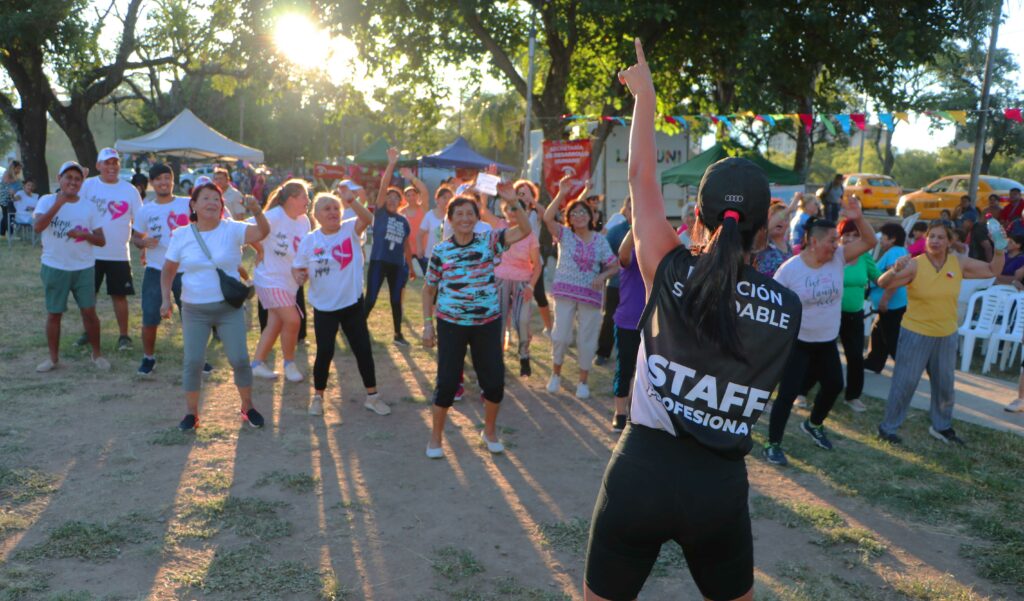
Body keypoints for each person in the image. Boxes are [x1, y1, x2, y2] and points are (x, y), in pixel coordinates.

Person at [583, 40, 801, 601]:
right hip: (718, 488)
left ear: (697, 219)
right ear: (765, 230)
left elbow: (640, 179)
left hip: (639, 473)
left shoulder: (669, 267)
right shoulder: (787, 308)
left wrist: (646, 98)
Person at [421, 185, 532, 459]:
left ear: (477, 217)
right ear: (450, 219)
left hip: (486, 324)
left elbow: (525, 230)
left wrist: (513, 202)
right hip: (451, 324)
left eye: (469, 213)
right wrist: (427, 324)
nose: (465, 218)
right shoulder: (441, 251)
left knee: (493, 382)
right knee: (447, 384)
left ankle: (490, 432)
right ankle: (435, 438)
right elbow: (428, 289)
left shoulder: (489, 241)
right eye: (458, 214)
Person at [765, 198, 876, 466]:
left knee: (834, 385)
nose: (836, 245)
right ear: (813, 242)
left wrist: (858, 217)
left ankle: (813, 424)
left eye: (837, 240)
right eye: (831, 241)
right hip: (798, 343)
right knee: (787, 394)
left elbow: (870, 241)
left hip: (826, 341)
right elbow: (772, 303)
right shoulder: (790, 270)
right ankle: (773, 444)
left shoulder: (838, 259)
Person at [876, 220, 1006, 445]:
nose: (935, 241)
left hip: (946, 334)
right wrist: (894, 269)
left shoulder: (959, 263)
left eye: (940, 237)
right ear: (926, 239)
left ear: (949, 241)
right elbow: (883, 283)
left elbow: (992, 270)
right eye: (931, 236)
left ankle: (942, 426)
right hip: (916, 333)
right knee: (905, 383)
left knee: (945, 385)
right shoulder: (915, 265)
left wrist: (1000, 249)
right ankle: (888, 428)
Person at [161, 183, 270, 431]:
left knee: (240, 359)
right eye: (206, 198)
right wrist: (166, 299)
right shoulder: (181, 235)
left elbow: (262, 232)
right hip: (194, 309)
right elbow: (168, 271)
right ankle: (191, 414)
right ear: (193, 205)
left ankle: (248, 407)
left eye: (216, 199)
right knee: (193, 362)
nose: (212, 202)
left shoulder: (231, 229)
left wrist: (257, 210)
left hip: (228, 308)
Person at [293, 190, 388, 417]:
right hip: (324, 308)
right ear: (316, 215)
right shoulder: (309, 240)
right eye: (327, 209)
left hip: (352, 304)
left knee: (363, 350)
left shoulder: (349, 230)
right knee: (325, 352)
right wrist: (299, 275)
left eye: (336, 208)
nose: (333, 212)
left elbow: (369, 219)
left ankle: (372, 397)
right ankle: (318, 397)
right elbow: (297, 267)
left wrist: (352, 200)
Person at [543, 175, 620, 400]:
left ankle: (583, 381)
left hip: (591, 296)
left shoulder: (600, 240)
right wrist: (561, 192)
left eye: (583, 212)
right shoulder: (564, 235)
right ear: (569, 218)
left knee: (587, 339)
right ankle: (555, 374)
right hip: (565, 293)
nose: (578, 216)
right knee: (560, 336)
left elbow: (615, 265)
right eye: (574, 213)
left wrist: (602, 276)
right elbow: (547, 217)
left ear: (591, 216)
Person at [33, 162, 109, 372]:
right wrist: (59, 203)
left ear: (82, 183)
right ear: (59, 179)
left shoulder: (89, 206)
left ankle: (97, 355)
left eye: (77, 179)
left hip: (83, 268)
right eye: (68, 177)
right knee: (54, 314)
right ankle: (53, 359)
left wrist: (84, 234)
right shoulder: (46, 200)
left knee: (89, 312)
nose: (73, 182)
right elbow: (38, 227)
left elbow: (101, 240)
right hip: (54, 266)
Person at [74, 148, 143, 352]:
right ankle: (88, 332)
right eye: (107, 163)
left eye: (115, 163)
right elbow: (73, 205)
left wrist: (142, 243)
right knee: (89, 296)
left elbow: (140, 220)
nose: (111, 167)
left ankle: (124, 336)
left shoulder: (129, 190)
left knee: (119, 296)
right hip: (90, 252)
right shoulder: (88, 185)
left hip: (118, 253)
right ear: (98, 166)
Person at [131, 163, 195, 376]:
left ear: (173, 180)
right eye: (158, 179)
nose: (163, 182)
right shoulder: (145, 210)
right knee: (150, 315)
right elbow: (135, 237)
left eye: (167, 178)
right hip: (156, 270)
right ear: (152, 183)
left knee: (191, 317)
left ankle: (197, 358)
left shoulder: (187, 204)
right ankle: (148, 358)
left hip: (186, 269)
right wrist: (143, 242)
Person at [249, 179, 312, 382]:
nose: (308, 200)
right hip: (269, 279)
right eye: (304, 196)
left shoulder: (304, 221)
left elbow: (303, 250)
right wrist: (260, 250)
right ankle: (289, 364)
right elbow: (248, 230)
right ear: (291, 199)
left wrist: (302, 270)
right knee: (293, 320)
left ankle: (257, 364)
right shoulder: (275, 216)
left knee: (274, 324)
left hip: (289, 282)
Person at [366, 147, 415, 347]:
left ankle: (397, 334)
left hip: (396, 265)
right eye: (389, 197)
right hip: (379, 261)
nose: (392, 200)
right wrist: (391, 164)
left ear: (400, 202)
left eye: (396, 198)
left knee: (396, 300)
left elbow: (406, 246)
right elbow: (384, 185)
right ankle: (357, 328)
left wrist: (410, 267)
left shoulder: (404, 221)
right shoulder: (380, 214)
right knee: (371, 299)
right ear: (384, 200)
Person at [835, 217, 880, 412]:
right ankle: (802, 392)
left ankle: (853, 396)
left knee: (855, 356)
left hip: (854, 315)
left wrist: (896, 272)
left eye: (856, 235)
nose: (851, 239)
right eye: (847, 235)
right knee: (818, 352)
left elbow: (878, 278)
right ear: (839, 236)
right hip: (829, 314)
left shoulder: (864, 257)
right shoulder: (833, 255)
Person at [494, 198, 542, 377]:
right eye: (509, 208)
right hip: (500, 279)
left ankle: (524, 355)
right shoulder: (500, 226)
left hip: (522, 281)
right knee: (499, 321)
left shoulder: (530, 235)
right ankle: (497, 360)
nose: (513, 212)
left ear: (524, 212)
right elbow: (482, 209)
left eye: (517, 209)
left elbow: (537, 265)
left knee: (521, 321)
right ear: (504, 210)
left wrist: (531, 286)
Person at [608, 228, 644, 433]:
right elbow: (622, 253)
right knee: (625, 368)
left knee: (645, 373)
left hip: (651, 324)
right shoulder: (630, 258)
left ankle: (637, 412)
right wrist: (635, 225)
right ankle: (620, 413)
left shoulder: (658, 259)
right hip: (627, 322)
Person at [864, 223, 909, 373]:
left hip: (891, 305)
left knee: (892, 338)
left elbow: (894, 278)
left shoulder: (895, 252)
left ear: (892, 239)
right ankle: (874, 362)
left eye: (883, 237)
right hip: (890, 304)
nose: (880, 241)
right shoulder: (897, 251)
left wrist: (885, 300)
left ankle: (905, 369)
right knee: (878, 332)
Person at [595, 197, 633, 367]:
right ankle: (603, 352)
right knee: (610, 318)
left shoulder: (649, 231)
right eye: (631, 208)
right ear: (625, 209)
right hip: (616, 283)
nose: (633, 212)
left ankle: (634, 356)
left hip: (640, 286)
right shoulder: (616, 231)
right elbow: (604, 257)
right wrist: (602, 276)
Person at [514, 179, 554, 336]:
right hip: (516, 260)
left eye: (527, 193)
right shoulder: (513, 213)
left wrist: (532, 201)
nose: (524, 197)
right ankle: (515, 329)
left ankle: (549, 328)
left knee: (539, 294)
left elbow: (546, 215)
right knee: (515, 296)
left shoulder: (535, 213)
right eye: (521, 193)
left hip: (534, 261)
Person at [753, 199, 796, 277]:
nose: (780, 221)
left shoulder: (789, 247)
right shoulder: (763, 241)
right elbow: (768, 227)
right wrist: (789, 209)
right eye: (776, 217)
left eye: (785, 218)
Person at [399, 167, 429, 273]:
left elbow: (424, 191)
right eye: (408, 195)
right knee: (401, 276)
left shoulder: (423, 208)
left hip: (423, 248)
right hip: (407, 249)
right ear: (405, 198)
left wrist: (412, 177)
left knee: (429, 276)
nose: (411, 197)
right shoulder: (401, 212)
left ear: (417, 196)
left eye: (413, 195)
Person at [418, 184, 453, 262]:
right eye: (444, 197)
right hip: (431, 257)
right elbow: (419, 235)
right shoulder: (429, 215)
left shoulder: (454, 216)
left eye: (450, 198)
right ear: (437, 199)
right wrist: (420, 248)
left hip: (448, 258)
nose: (447, 200)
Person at [0, 159, 22, 237]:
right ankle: (10, 233)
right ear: (13, 168)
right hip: (4, 198)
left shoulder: (15, 176)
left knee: (6, 215)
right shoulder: (7, 174)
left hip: (10, 198)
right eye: (18, 168)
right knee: (8, 215)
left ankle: (2, 233)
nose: (19, 170)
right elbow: (7, 184)